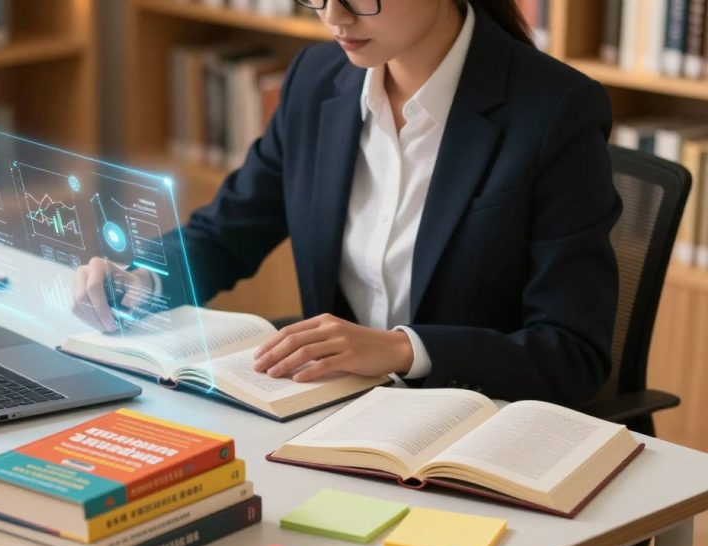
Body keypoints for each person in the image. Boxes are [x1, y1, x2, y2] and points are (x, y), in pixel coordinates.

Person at [73, 0, 620, 410]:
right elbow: (228, 230)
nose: (335, 16)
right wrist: (143, 280)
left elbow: (571, 353)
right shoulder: (317, 80)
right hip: (334, 413)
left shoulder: (555, 112)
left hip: (471, 426)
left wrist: (402, 351)